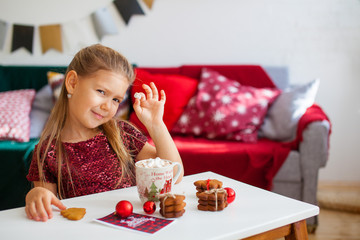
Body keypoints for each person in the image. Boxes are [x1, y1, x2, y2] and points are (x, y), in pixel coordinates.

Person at [25, 44, 184, 222]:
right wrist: (36, 194)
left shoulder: (123, 134)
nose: (107, 106)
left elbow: (173, 176)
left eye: (116, 99)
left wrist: (156, 125)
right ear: (72, 83)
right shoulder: (47, 152)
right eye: (101, 92)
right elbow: (48, 206)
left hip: (132, 228)